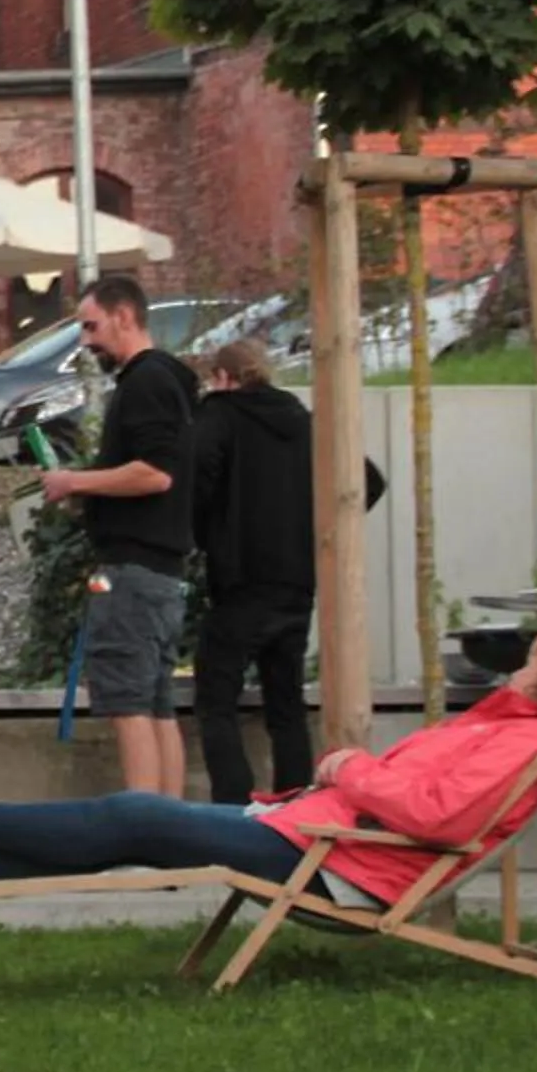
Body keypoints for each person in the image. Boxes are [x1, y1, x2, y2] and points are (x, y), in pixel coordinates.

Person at [0, 631, 537, 897]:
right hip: (319, 836)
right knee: (137, 831)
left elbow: (438, 816)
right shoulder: (506, 726)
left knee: (136, 815)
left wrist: (347, 769)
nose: (511, 671)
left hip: (340, 866)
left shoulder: (517, 741)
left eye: (526, 666)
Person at [187, 339, 389, 805]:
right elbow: (369, 481)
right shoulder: (304, 423)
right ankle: (295, 811)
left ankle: (232, 812)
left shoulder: (219, 417)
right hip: (298, 582)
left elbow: (194, 479)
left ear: (223, 377)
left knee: (216, 700)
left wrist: (206, 532)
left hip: (241, 581)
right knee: (287, 706)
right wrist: (322, 529)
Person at [38, 275, 199, 798]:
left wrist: (74, 481)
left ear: (125, 316)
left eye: (92, 326)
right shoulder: (170, 380)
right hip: (162, 571)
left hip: (131, 570)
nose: (86, 340)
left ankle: (144, 833)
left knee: (128, 703)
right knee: (155, 704)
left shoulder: (146, 382)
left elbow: (155, 473)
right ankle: (170, 831)